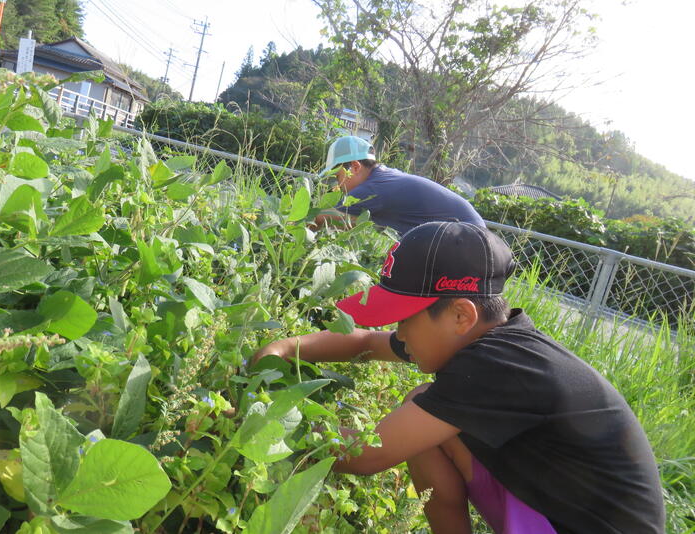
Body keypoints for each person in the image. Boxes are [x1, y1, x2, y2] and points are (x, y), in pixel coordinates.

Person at [253, 221, 664, 534]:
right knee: (425, 411)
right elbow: (367, 342)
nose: (399, 333)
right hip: (558, 512)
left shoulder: (499, 366)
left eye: (403, 319)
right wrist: (286, 348)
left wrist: (254, 423)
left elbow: (366, 455)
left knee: (421, 413)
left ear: (461, 315)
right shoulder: (485, 341)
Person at [314, 135, 484, 235]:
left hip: (466, 237)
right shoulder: (385, 177)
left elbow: (320, 218)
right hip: (471, 234)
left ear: (355, 166)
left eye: (337, 176)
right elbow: (349, 222)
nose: (338, 185)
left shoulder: (372, 188)